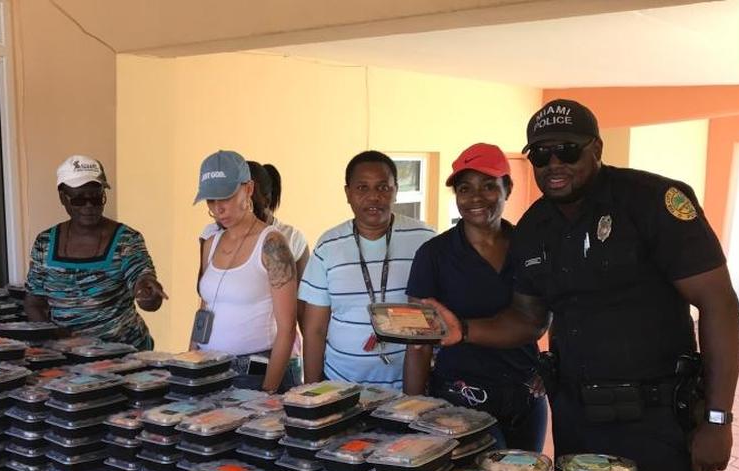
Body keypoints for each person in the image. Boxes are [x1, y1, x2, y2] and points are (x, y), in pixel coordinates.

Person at [425, 99, 739, 471]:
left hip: (657, 421)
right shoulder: (535, 227)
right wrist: (464, 331)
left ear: (596, 148)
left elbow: (718, 304)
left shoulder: (653, 200)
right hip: (578, 421)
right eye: (541, 154)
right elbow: (526, 319)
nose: (553, 163)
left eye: (567, 150)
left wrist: (717, 417)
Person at [403, 143, 547, 450]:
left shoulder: (531, 247)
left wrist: (553, 363)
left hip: (525, 398)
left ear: (507, 187)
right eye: (464, 189)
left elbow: (558, 307)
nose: (476, 198)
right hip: (461, 401)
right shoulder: (434, 255)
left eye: (488, 186)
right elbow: (419, 343)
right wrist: (412, 414)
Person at [299, 151, 435, 387]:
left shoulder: (426, 241)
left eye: (383, 187)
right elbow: (316, 329)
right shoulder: (328, 246)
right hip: (342, 387)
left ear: (396, 190)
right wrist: (313, 389)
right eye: (362, 188)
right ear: (348, 193)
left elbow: (435, 317)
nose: (374, 197)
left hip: (409, 389)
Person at [24, 155, 167, 349]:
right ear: (62, 197)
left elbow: (142, 280)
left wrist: (148, 293)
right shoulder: (45, 242)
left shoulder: (127, 239)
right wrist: (55, 338)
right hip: (68, 360)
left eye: (96, 197)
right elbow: (34, 303)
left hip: (125, 357)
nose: (89, 206)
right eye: (79, 199)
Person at [193, 150, 298, 392]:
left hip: (255, 372)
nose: (218, 209)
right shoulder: (211, 243)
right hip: (209, 370)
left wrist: (267, 393)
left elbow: (287, 328)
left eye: (226, 198)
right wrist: (190, 362)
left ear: (248, 189)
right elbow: (203, 310)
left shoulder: (272, 244)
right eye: (211, 200)